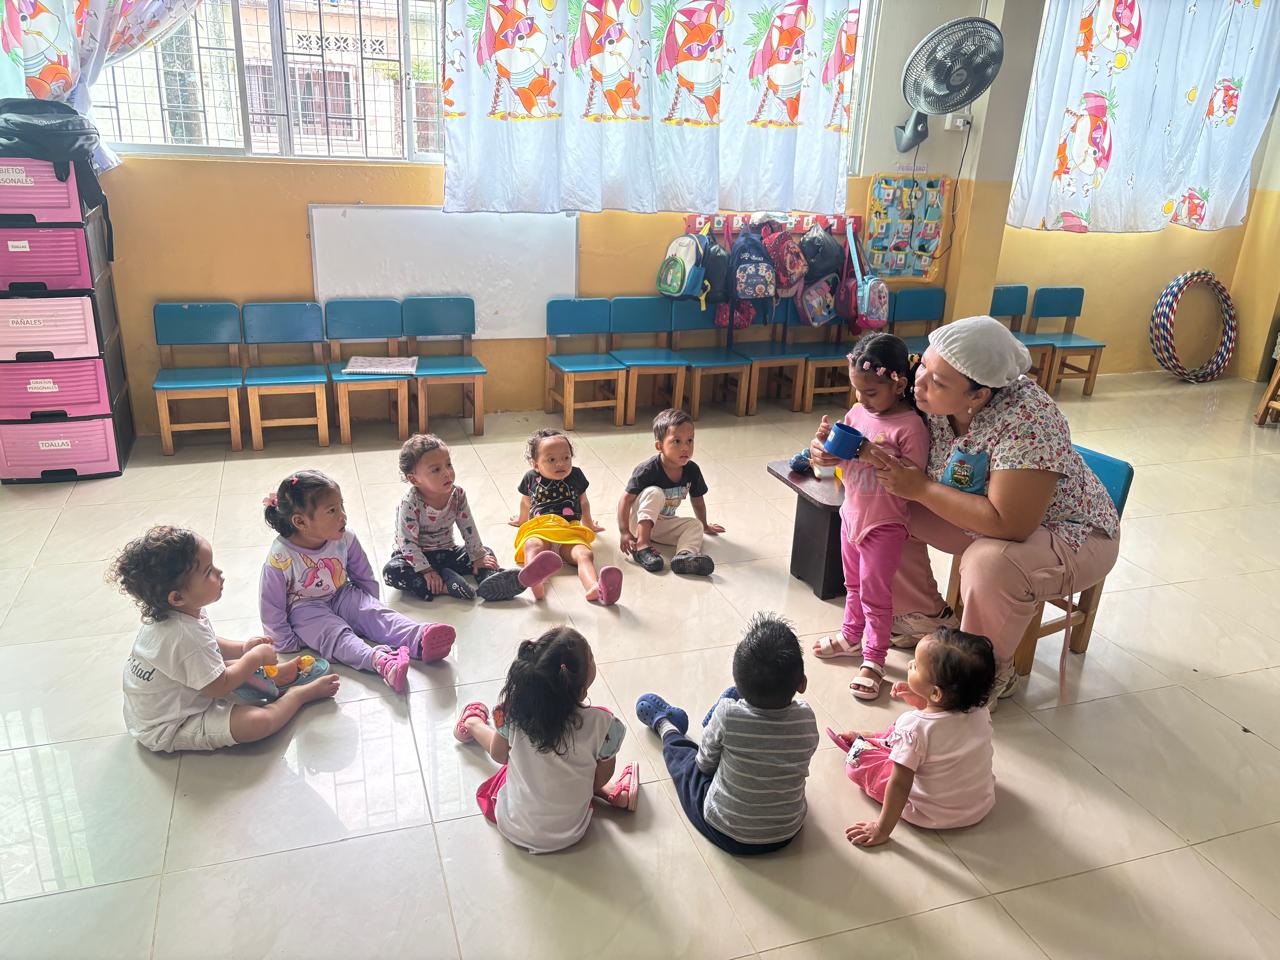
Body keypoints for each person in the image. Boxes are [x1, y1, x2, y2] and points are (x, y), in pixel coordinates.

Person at [810, 315, 1120, 705]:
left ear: (978, 396)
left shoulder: (1028, 421)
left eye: (938, 382)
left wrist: (922, 488)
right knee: (885, 514)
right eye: (923, 365)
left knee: (989, 563)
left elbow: (1011, 524)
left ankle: (981, 675)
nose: (919, 383)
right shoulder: (921, 390)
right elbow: (872, 424)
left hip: (1068, 534)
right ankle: (923, 618)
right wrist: (829, 449)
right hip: (978, 513)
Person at [110, 525, 339, 752]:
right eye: (208, 572)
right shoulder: (182, 636)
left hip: (175, 697)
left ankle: (276, 677)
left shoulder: (179, 614)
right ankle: (298, 696)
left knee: (222, 665)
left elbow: (209, 645)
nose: (219, 573)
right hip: (170, 725)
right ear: (177, 597)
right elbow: (219, 686)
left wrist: (243, 648)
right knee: (258, 722)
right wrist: (253, 659)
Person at [634, 612, 821, 855]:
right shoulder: (806, 717)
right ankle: (720, 734)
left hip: (725, 830)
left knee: (686, 767)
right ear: (802, 684)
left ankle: (665, 725)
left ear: (739, 683)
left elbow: (704, 765)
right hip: (786, 832)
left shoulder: (729, 715)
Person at [260, 469, 456, 694]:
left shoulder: (345, 537)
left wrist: (367, 608)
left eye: (341, 506)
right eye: (332, 511)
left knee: (377, 614)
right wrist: (285, 641)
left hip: (342, 593)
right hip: (304, 608)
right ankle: (380, 661)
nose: (342, 516)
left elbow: (363, 574)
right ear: (301, 522)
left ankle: (419, 638)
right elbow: (271, 605)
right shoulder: (280, 558)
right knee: (335, 635)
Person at [811, 334, 930, 700]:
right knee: (853, 585)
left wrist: (869, 452)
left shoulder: (910, 427)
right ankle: (851, 636)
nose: (861, 399)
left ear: (899, 384)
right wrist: (826, 450)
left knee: (876, 595)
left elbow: (912, 479)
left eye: (871, 392)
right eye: (857, 390)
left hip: (884, 524)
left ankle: (875, 658)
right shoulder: (857, 413)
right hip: (851, 514)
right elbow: (843, 458)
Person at [453, 625, 640, 853]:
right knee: (578, 771)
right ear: (582, 690)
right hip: (571, 831)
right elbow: (599, 777)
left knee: (512, 767)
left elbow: (499, 755)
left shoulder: (510, 712)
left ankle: (472, 723)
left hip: (514, 825)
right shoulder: (606, 725)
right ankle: (612, 792)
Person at [837, 627, 996, 847]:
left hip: (929, 813)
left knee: (857, 762)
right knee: (909, 737)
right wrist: (923, 701)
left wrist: (881, 830)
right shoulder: (981, 711)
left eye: (916, 666)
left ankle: (873, 743)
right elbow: (944, 729)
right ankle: (883, 740)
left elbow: (900, 784)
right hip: (979, 804)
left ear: (936, 693)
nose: (910, 664)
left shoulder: (914, 727)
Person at [381, 433, 537, 602]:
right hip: (416, 558)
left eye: (448, 465)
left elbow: (468, 527)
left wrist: (478, 556)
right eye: (436, 470)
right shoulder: (410, 504)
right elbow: (407, 544)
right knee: (391, 571)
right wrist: (426, 570)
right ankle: (447, 587)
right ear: (414, 479)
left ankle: (489, 580)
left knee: (485, 552)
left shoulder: (457, 494)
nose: (447, 473)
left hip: (447, 553)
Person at [509, 428, 623, 605]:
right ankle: (536, 581)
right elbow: (526, 502)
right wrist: (522, 520)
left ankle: (594, 587)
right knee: (533, 545)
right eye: (551, 460)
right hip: (540, 526)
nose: (560, 464)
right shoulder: (530, 477)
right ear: (535, 464)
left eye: (566, 458)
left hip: (570, 529)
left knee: (584, 554)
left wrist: (589, 524)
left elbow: (583, 502)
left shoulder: (576, 475)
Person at [616, 407, 724, 576]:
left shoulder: (692, 470)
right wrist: (624, 532)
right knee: (655, 492)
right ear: (659, 446)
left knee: (695, 525)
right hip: (638, 522)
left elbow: (697, 500)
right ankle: (642, 546)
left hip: (663, 524)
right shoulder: (648, 469)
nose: (685, 447)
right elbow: (626, 500)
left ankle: (684, 557)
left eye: (690, 441)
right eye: (677, 441)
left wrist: (704, 524)